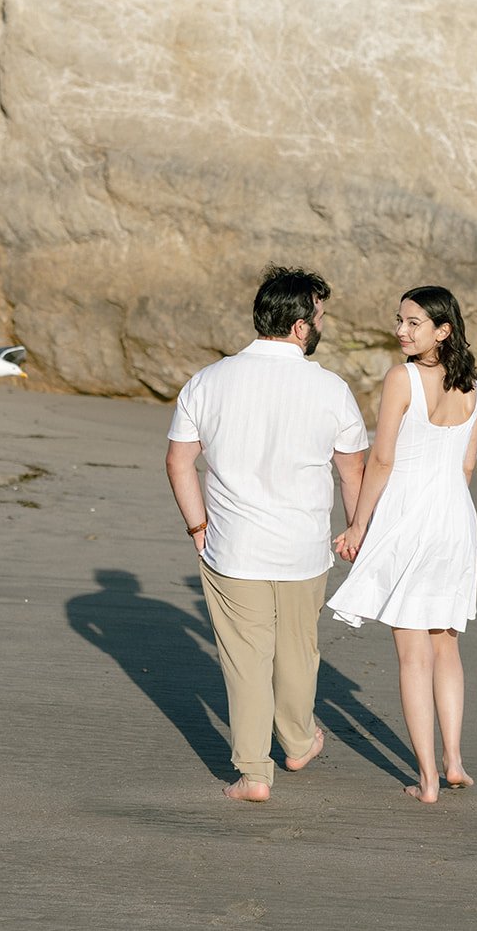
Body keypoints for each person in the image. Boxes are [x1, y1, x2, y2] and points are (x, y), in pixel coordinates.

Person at [165, 266, 368, 802]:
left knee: (245, 660)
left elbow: (179, 462)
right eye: (319, 316)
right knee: (299, 652)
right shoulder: (331, 389)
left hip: (232, 547)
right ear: (300, 326)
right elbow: (353, 474)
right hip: (303, 548)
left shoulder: (208, 380)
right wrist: (359, 533)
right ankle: (299, 743)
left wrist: (196, 524)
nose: (322, 324)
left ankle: (255, 774)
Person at [326, 285, 477, 803]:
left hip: (410, 517)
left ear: (443, 330)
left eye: (413, 323)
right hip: (457, 520)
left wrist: (358, 525)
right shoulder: (474, 389)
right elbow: (465, 467)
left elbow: (383, 459)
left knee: (413, 654)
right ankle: (454, 760)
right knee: (446, 644)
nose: (401, 330)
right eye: (400, 320)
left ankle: (429, 780)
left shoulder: (402, 378)